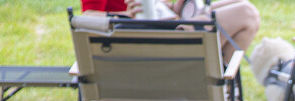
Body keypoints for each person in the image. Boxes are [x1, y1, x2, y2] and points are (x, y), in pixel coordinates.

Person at [81, 0, 259, 63]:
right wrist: (126, 16)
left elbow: (155, 10)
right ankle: (220, 87)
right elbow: (87, 16)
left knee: (237, 4)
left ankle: (223, 88)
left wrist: (173, 8)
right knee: (246, 13)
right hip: (155, 46)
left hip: (166, 33)